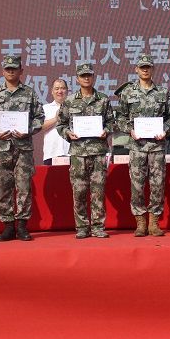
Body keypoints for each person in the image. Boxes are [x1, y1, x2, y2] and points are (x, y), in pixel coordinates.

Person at [0, 55, 45, 242]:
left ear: (21, 71)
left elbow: (39, 117)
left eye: (14, 68)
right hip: (2, 148)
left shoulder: (30, 93)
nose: (10, 71)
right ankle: (8, 226)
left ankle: (22, 226)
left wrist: (28, 130)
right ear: (3, 71)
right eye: (7, 68)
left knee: (24, 187)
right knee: (3, 186)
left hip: (23, 149)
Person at [116, 53, 170, 237]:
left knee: (158, 185)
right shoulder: (128, 93)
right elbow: (120, 118)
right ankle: (140, 222)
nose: (145, 70)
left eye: (148, 67)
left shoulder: (162, 92)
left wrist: (165, 130)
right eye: (142, 67)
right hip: (137, 147)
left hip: (157, 146)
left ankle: (154, 223)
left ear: (152, 69)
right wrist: (130, 130)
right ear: (136, 69)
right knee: (137, 186)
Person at [56, 63, 115, 239]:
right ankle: (82, 227)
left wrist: (107, 130)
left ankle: (97, 227)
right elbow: (61, 124)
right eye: (83, 76)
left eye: (89, 75)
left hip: (98, 152)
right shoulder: (69, 101)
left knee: (98, 191)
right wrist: (68, 133)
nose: (86, 78)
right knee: (79, 191)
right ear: (77, 79)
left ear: (93, 77)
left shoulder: (103, 99)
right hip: (78, 153)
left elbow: (112, 122)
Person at [41, 78, 71, 165]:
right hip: (52, 153)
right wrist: (56, 118)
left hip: (71, 152)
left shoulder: (74, 108)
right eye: (57, 88)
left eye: (63, 88)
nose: (60, 91)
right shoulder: (45, 108)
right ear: (52, 91)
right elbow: (40, 127)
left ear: (67, 90)